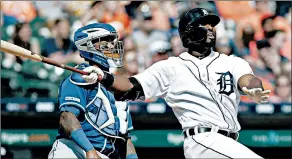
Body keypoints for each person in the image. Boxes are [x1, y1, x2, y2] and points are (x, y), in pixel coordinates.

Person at [81, 8, 271, 158]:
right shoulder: (170, 67)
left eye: (212, 25)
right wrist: (103, 76)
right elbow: (131, 86)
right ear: (188, 32)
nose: (211, 28)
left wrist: (254, 89)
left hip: (227, 143)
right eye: (204, 24)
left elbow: (248, 79)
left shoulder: (233, 62)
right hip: (202, 140)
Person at [48, 23, 138, 159]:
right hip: (74, 150)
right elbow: (67, 117)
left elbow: (126, 140)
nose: (112, 45)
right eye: (106, 41)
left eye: (113, 41)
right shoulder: (77, 79)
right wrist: (89, 150)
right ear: (88, 45)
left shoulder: (118, 85)